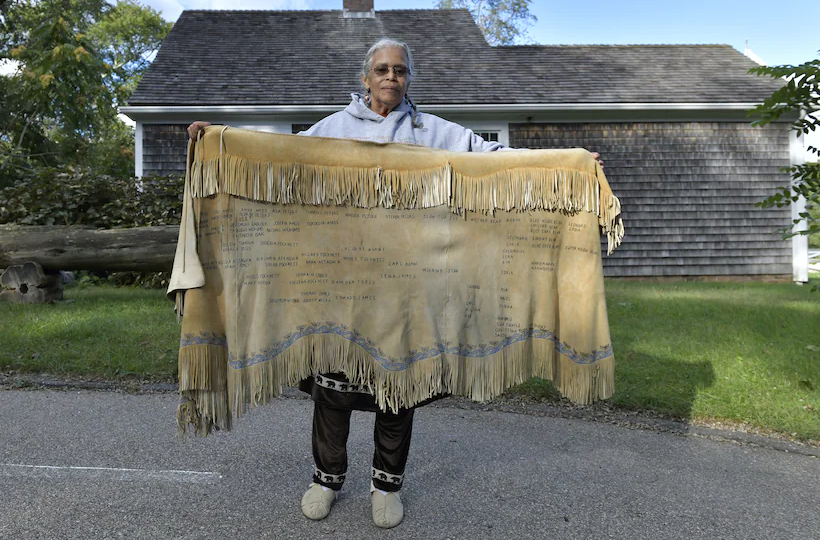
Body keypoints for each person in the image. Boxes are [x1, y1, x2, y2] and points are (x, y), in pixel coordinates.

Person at [187, 38, 602, 529]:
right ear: (365, 79)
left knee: (397, 391)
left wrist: (566, 166)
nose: (391, 78)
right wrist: (218, 139)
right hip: (342, 285)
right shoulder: (332, 130)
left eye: (400, 71)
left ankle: (386, 486)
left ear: (408, 79)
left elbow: (493, 158)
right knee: (333, 390)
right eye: (382, 70)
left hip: (407, 289)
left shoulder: (434, 133)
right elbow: (277, 156)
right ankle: (326, 479)